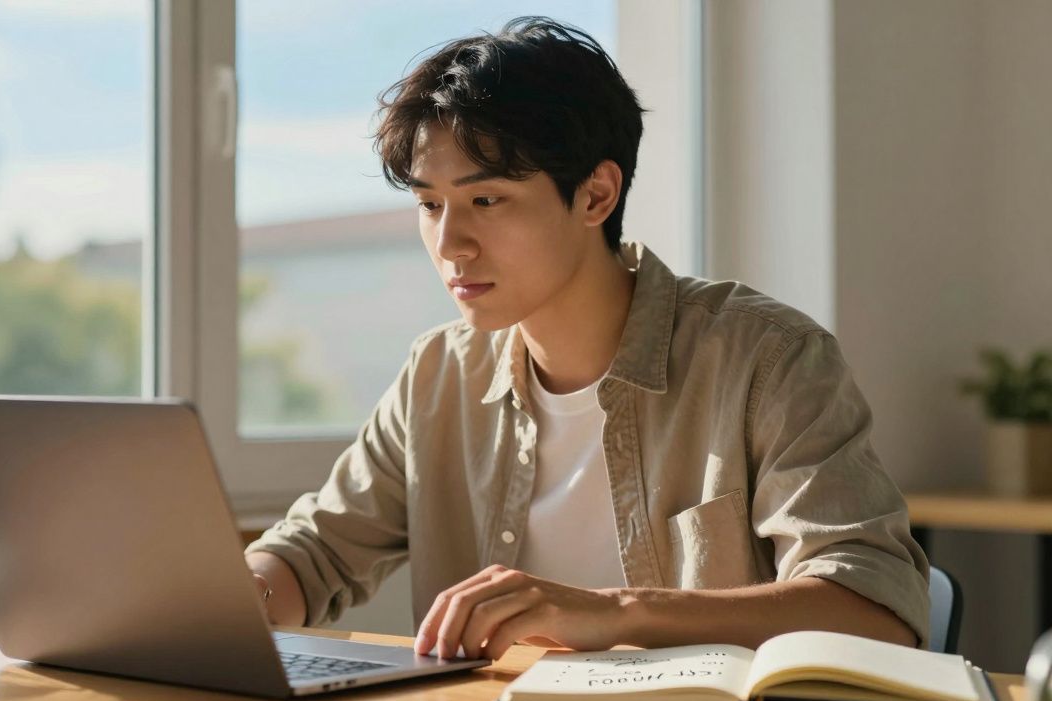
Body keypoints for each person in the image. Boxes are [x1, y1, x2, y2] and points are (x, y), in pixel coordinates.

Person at [245, 16, 930, 661]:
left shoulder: (767, 359)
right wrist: (239, 593)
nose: (449, 244)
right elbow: (313, 554)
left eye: (486, 201)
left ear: (596, 195)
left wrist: (618, 611)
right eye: (429, 205)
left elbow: (876, 611)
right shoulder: (437, 375)